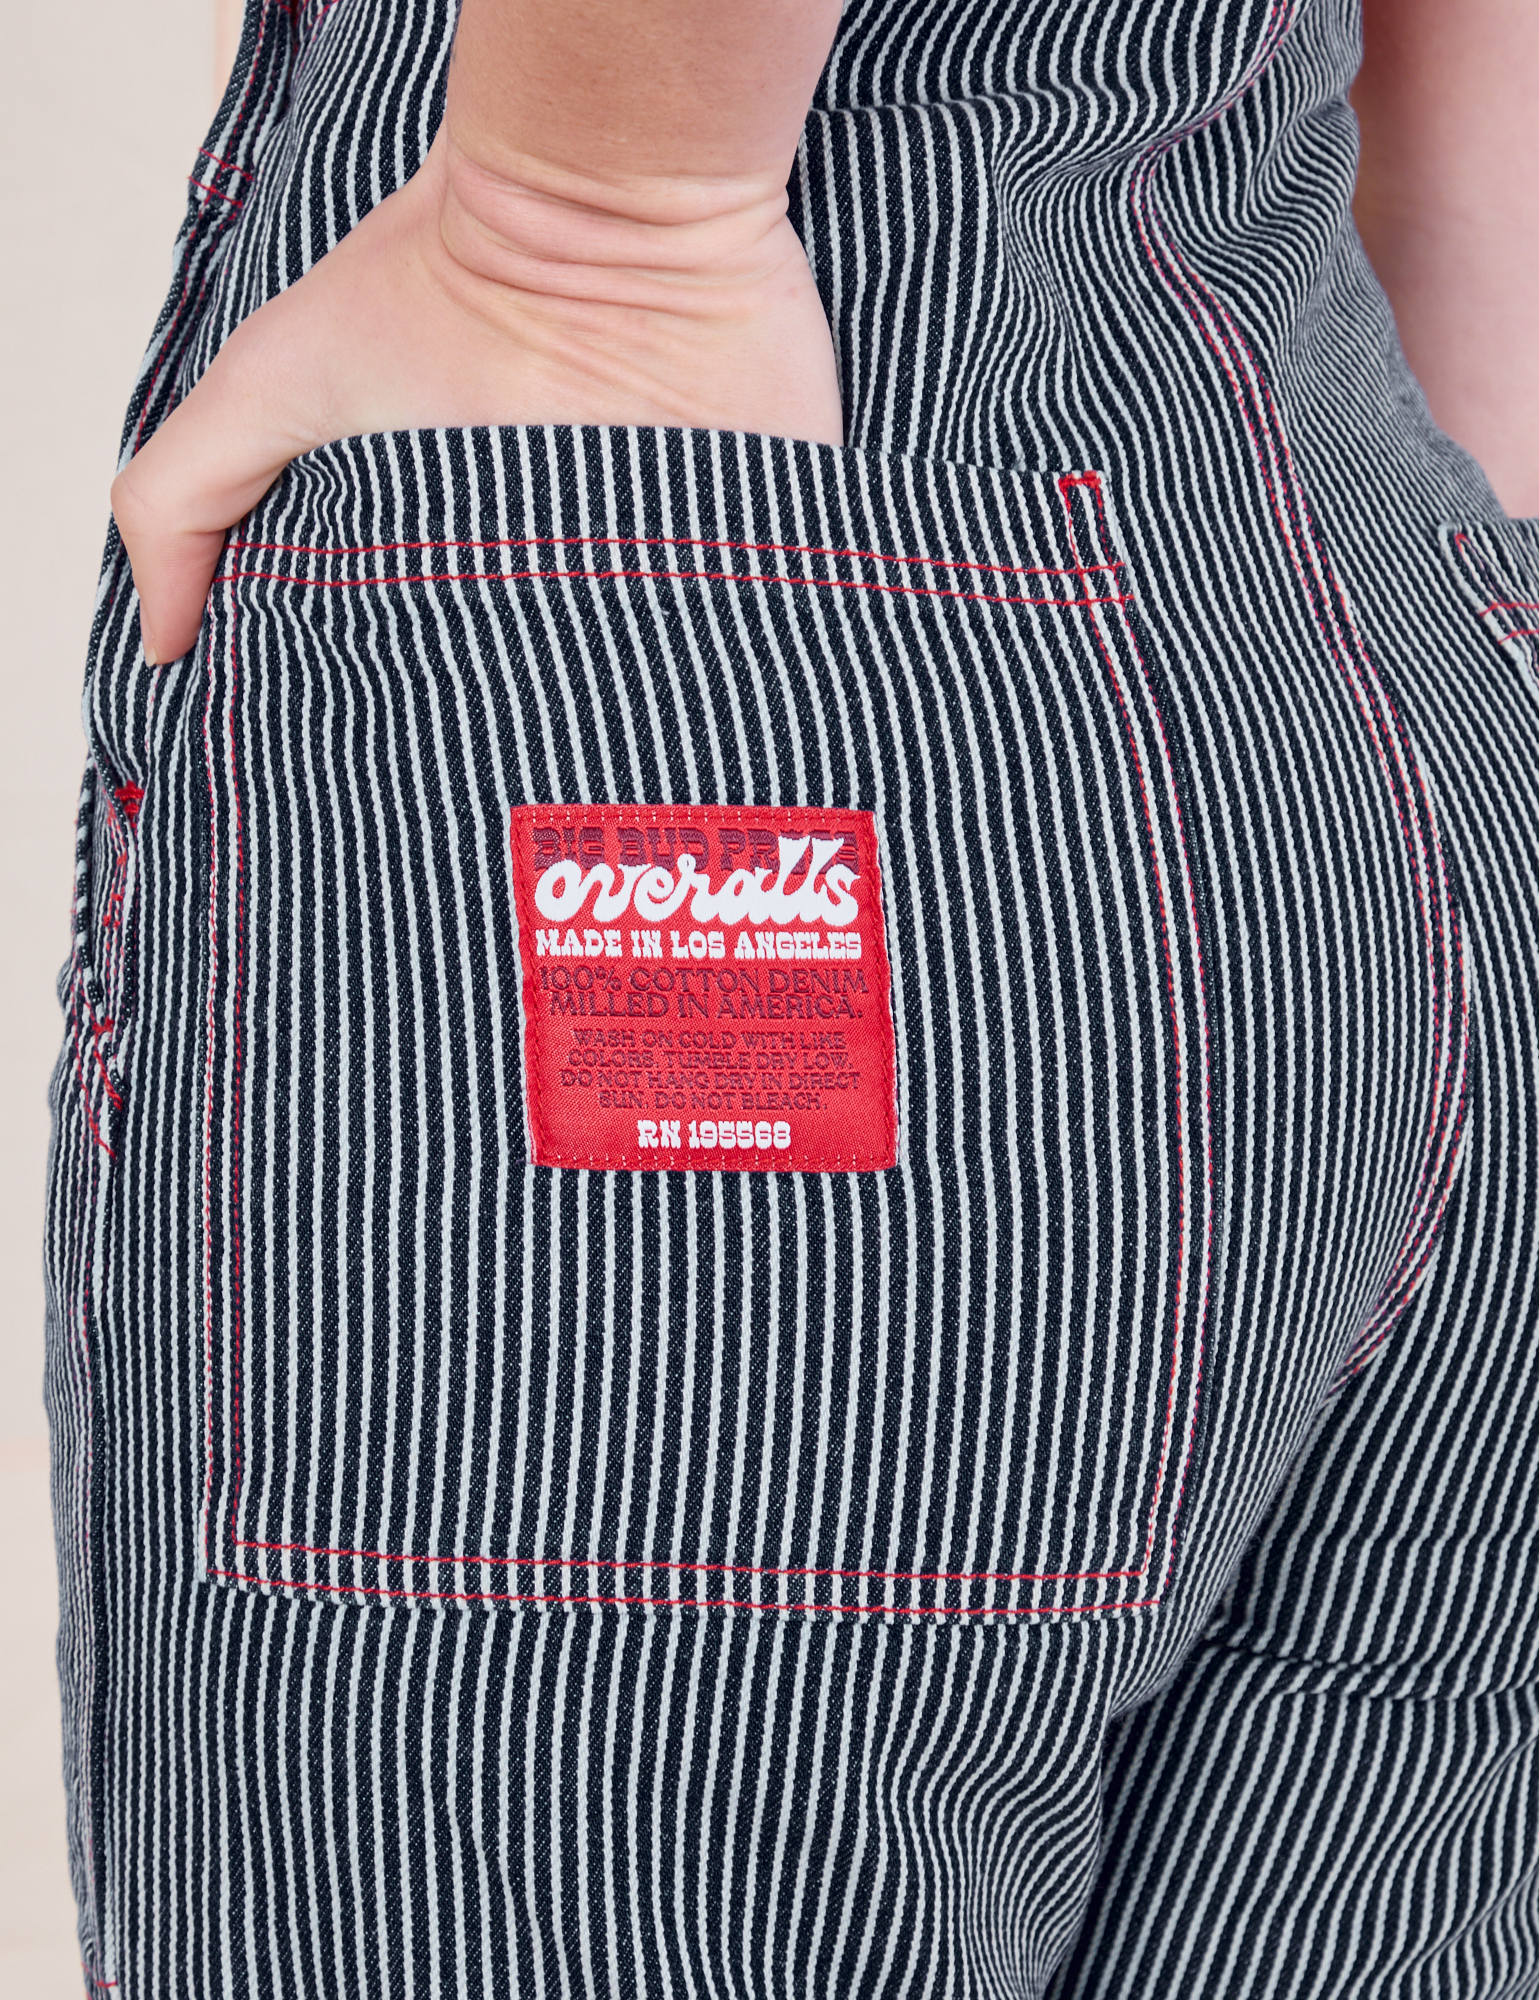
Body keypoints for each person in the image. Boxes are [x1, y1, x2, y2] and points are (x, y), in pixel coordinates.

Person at [47, 0, 1538, 1991]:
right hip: (1387, 627)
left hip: (723, 567)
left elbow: (616, 196)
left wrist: (584, 223)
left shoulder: (608, 254)